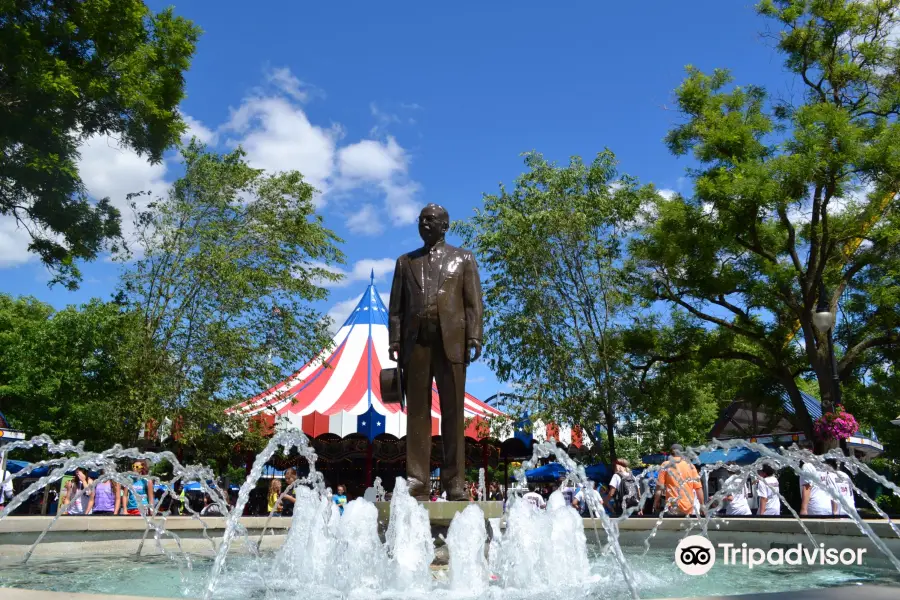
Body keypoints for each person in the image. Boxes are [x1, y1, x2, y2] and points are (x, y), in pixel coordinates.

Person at [388, 204, 484, 501]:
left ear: (445, 226)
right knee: (417, 413)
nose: (424, 224)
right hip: (415, 345)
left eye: (430, 220)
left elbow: (473, 303)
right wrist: (394, 342)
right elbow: (396, 309)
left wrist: (475, 336)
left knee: (453, 412)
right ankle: (417, 481)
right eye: (421, 220)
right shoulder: (405, 262)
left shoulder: (464, 259)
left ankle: (454, 483)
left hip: (451, 343)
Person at [653, 444, 704, 517]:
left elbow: (659, 488)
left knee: (674, 527)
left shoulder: (665, 465)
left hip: (673, 505)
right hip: (689, 505)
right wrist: (702, 505)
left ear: (670, 454)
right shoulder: (690, 465)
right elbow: (698, 488)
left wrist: (656, 502)